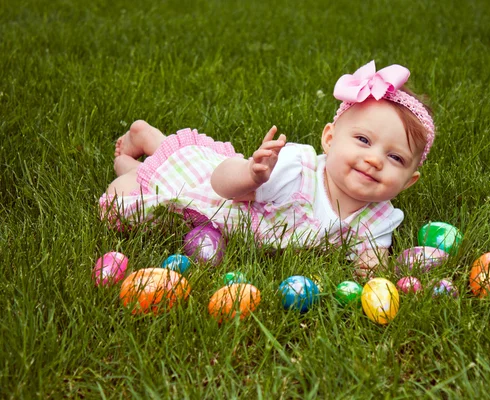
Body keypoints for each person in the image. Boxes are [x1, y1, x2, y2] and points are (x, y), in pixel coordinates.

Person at [100, 60, 435, 278]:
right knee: (123, 199)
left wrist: (373, 269)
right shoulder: (295, 169)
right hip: (212, 194)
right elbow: (220, 185)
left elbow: (370, 259)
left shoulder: (378, 218)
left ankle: (143, 150)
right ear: (329, 139)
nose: (375, 160)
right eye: (363, 139)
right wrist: (252, 174)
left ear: (409, 181)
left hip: (229, 206)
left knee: (178, 161)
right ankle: (137, 149)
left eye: (395, 159)